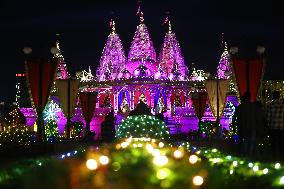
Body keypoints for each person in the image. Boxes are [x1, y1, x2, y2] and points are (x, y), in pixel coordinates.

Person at [233, 92, 263, 157]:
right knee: (251, 141)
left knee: (243, 142)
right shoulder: (254, 107)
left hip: (242, 127)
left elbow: (234, 118)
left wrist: (234, 128)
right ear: (249, 98)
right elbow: (258, 118)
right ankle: (249, 154)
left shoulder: (239, 107)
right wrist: (259, 127)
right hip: (252, 127)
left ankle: (244, 154)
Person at [266, 91, 284, 159]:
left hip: (272, 127)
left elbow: (268, 117)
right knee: (281, 142)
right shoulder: (282, 105)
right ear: (279, 96)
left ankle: (274, 156)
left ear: (273, 96)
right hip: (281, 127)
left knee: (273, 142)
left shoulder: (270, 105)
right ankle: (281, 156)